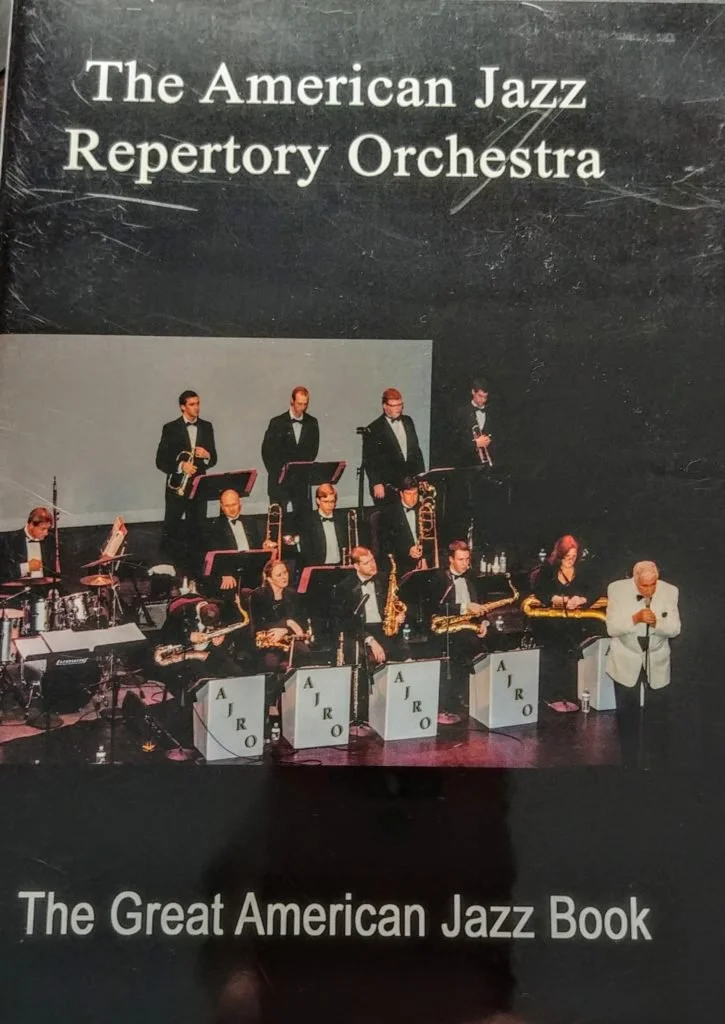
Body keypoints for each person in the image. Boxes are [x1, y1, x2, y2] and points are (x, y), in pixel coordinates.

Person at [606, 560, 681, 767]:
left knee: (658, 714)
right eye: (644, 585)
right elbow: (612, 628)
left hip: (657, 659)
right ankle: (628, 762)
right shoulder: (616, 589)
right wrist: (635, 618)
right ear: (634, 580)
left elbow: (675, 629)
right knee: (626, 714)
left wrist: (657, 623)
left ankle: (656, 763)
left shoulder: (670, 591)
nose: (649, 590)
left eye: (653, 584)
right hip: (626, 658)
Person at [527, 534, 601, 712]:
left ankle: (570, 695)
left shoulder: (583, 571)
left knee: (573, 654)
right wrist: (558, 599)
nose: (570, 560)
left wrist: (581, 599)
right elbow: (541, 592)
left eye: (573, 557)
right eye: (567, 557)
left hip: (575, 622)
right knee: (554, 651)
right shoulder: (547, 571)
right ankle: (552, 697)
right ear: (559, 555)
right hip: (550, 623)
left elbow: (595, 590)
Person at [427, 540, 490, 725]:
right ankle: (451, 703)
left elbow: (482, 604)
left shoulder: (472, 578)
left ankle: (477, 698)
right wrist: (464, 607)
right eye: (461, 560)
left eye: (467, 559)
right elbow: (436, 606)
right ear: (451, 560)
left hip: (470, 626)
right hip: (448, 628)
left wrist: (484, 622)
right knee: (460, 648)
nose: (465, 564)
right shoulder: (440, 579)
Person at [155, 390, 217, 571]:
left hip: (199, 487)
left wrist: (207, 455)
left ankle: (196, 570)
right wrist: (181, 466)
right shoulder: (170, 428)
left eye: (198, 403)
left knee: (198, 528)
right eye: (192, 404)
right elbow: (160, 460)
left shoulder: (206, 426)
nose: (196, 408)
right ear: (182, 407)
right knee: (172, 527)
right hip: (177, 487)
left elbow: (213, 458)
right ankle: (169, 569)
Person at [261, 386, 320, 516]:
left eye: (305, 404)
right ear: (292, 401)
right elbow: (267, 452)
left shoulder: (312, 423)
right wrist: (280, 473)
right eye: (299, 404)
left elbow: (312, 452)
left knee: (303, 519)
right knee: (279, 520)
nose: (302, 408)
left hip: (301, 483)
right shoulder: (276, 423)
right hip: (280, 482)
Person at [202, 489, 276, 592]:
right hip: (231, 572)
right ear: (222, 507)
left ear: (240, 503)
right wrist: (225, 573)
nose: (231, 509)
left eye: (234, 504)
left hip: (254, 569)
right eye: (227, 506)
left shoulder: (252, 522)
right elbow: (214, 555)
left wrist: (265, 546)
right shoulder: (215, 527)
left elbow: (260, 546)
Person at [250, 559, 311, 678]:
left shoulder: (292, 594)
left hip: (289, 639)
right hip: (268, 642)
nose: (284, 577)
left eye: (285, 572)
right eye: (279, 575)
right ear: (269, 578)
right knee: (271, 662)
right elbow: (259, 624)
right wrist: (288, 623)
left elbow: (301, 624)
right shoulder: (258, 595)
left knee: (304, 653)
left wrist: (285, 629)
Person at [363, 387, 425, 504]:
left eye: (400, 405)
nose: (398, 409)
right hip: (388, 484)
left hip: (410, 482)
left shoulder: (408, 421)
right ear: (384, 406)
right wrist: (376, 483)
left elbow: (416, 450)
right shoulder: (374, 428)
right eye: (394, 406)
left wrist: (422, 476)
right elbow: (370, 460)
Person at [380, 476, 426, 576]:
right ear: (401, 494)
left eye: (415, 493)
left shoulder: (424, 509)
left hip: (425, 560)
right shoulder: (389, 514)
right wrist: (408, 550)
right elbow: (386, 544)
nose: (413, 498)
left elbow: (434, 537)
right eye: (408, 494)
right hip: (402, 562)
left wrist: (424, 557)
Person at [298, 483, 348, 567]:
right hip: (318, 566)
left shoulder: (342, 519)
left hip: (340, 565)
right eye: (326, 501)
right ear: (318, 501)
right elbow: (306, 549)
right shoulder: (308, 520)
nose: (329, 505)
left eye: (332, 501)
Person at [0, 507, 55, 582]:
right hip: (18, 588)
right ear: (31, 525)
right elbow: (3, 571)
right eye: (43, 529)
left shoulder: (51, 540)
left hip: (46, 587)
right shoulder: (8, 541)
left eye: (48, 529)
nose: (46, 533)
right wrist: (26, 567)